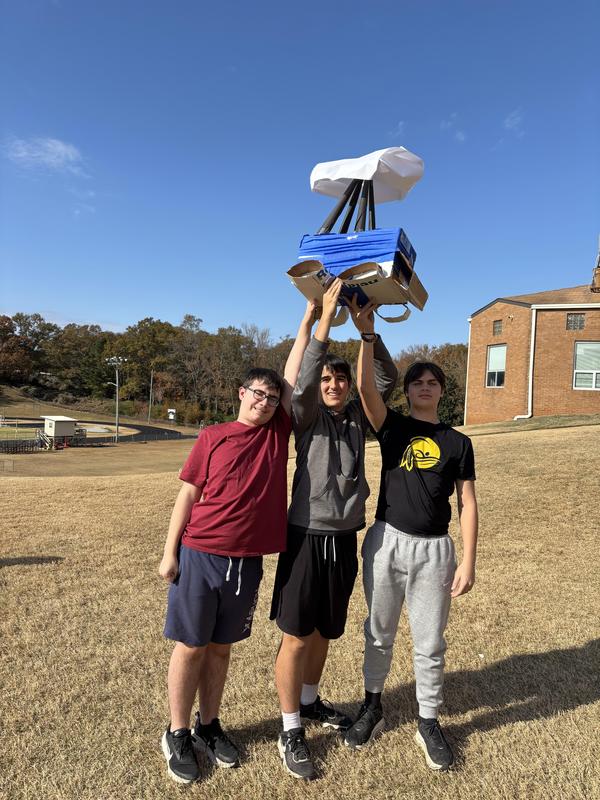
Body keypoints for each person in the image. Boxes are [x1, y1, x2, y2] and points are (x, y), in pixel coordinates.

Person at [158, 302, 317, 784]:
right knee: (191, 646)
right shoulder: (214, 436)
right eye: (258, 394)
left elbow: (293, 373)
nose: (265, 402)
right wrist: (169, 552)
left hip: (247, 562)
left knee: (221, 649)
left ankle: (209, 725)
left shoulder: (278, 433)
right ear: (241, 393)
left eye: (272, 397)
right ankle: (177, 732)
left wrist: (308, 321)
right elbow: (188, 494)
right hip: (201, 554)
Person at [270, 281, 398, 780]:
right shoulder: (305, 417)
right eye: (328, 379)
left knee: (325, 629)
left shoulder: (359, 420)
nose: (333, 385)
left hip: (345, 536)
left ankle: (309, 700)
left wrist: (368, 332)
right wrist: (323, 318)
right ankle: (289, 729)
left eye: (340, 379)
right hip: (306, 534)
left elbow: (384, 377)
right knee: (297, 636)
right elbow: (301, 378)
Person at [343, 304, 478, 771]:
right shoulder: (393, 427)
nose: (425, 386)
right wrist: (366, 336)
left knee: (430, 642)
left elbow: (468, 503)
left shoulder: (458, 442)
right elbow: (365, 389)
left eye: (433, 382)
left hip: (435, 550)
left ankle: (428, 721)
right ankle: (372, 707)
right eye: (417, 381)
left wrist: (468, 561)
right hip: (387, 541)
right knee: (378, 632)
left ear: (441, 390)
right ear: (407, 391)